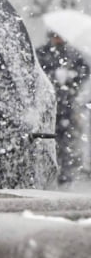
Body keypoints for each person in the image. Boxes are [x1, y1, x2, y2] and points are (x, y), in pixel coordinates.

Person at [35, 30, 90, 186]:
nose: (57, 39)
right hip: (49, 105)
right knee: (48, 140)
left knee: (66, 141)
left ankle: (65, 173)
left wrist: (72, 78)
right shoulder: (42, 52)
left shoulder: (72, 54)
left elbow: (84, 71)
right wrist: (53, 76)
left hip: (67, 106)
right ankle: (49, 172)